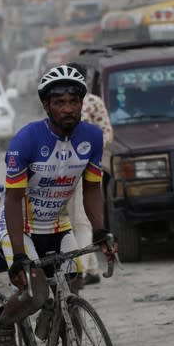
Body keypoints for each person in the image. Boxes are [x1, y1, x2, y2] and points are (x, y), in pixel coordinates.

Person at [0, 65, 117, 346]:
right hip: (19, 225)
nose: (68, 108)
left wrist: (102, 231)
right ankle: (2, 322)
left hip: (58, 225)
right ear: (46, 106)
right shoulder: (27, 139)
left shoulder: (91, 137)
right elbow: (13, 200)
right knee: (38, 295)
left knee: (72, 299)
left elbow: (91, 190)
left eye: (74, 101)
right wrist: (18, 255)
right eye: (59, 102)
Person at [65, 63, 114, 286]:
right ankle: (92, 268)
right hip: (72, 169)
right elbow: (107, 134)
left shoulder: (83, 102)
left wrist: (86, 150)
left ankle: (81, 272)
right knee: (77, 220)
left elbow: (105, 134)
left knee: (81, 221)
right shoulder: (88, 102)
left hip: (82, 169)